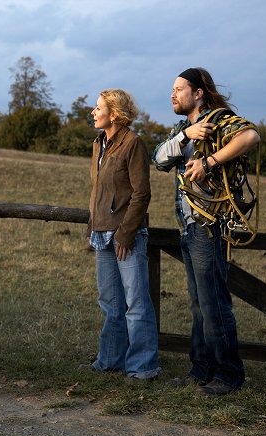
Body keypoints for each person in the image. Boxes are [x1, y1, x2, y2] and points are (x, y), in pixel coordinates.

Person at [151, 67, 260, 395]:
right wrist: (186, 136)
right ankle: (201, 370)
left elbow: (251, 136)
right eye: (172, 89)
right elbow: (158, 160)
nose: (173, 94)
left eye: (179, 88)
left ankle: (228, 375)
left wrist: (209, 162)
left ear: (198, 93)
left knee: (213, 303)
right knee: (199, 304)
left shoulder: (219, 119)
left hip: (210, 227)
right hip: (189, 228)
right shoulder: (183, 128)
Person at [82, 88, 161, 381]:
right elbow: (98, 191)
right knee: (110, 303)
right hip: (102, 233)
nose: (93, 112)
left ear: (114, 114)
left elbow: (142, 194)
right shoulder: (98, 143)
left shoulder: (133, 143)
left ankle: (143, 367)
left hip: (125, 236)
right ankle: (110, 361)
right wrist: (92, 228)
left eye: (98, 107)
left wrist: (126, 235)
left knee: (136, 303)